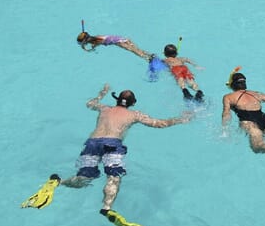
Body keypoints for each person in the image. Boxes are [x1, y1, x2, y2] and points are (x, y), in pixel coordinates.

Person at [59, 84, 191, 211]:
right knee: (114, 178)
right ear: (133, 103)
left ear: (116, 100)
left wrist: (102, 93)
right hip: (112, 144)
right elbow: (159, 124)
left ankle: (60, 182)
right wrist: (180, 119)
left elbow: (90, 104)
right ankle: (106, 208)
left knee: (84, 178)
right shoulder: (135, 114)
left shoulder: (104, 108)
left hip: (92, 142)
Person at [77, 30, 151, 61]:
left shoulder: (96, 41)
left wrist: (85, 48)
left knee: (134, 51)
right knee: (137, 50)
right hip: (122, 39)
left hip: (119, 42)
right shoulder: (96, 38)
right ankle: (150, 55)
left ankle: (148, 59)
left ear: (85, 41)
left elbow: (91, 48)